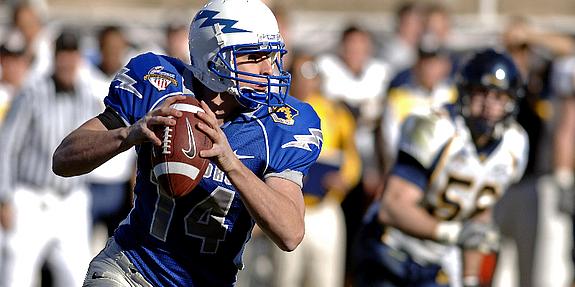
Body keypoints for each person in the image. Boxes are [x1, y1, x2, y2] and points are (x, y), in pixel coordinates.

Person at [52, 1, 322, 286]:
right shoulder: (159, 84)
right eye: (254, 57)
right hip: (131, 271)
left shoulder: (284, 122)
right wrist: (129, 133)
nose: (269, 69)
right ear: (214, 58)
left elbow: (290, 233)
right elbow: (63, 159)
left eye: (272, 56)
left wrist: (231, 164)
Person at [352, 49, 529, 287]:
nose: (489, 105)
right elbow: (392, 207)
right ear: (465, 91)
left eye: (499, 97)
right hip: (390, 249)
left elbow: (479, 214)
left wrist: (470, 278)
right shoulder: (436, 128)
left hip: (437, 261)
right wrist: (453, 234)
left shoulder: (514, 145)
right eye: (481, 93)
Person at [0, 30, 99, 287]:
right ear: (54, 57)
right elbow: (6, 146)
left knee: (78, 278)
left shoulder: (87, 97)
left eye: (72, 55)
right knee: (16, 277)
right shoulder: (31, 94)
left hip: (71, 201)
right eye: (62, 55)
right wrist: (4, 197)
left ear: (79, 58)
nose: (67, 62)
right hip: (31, 199)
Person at [272, 52, 361, 287]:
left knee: (325, 278)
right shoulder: (276, 109)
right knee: (284, 278)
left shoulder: (336, 112)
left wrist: (344, 178)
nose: (305, 80)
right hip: (287, 204)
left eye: (310, 73)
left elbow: (353, 157)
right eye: (299, 73)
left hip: (324, 207)